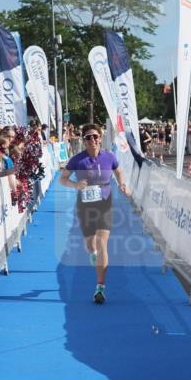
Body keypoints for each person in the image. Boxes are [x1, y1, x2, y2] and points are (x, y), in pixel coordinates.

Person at [60, 124, 129, 304]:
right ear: (83, 140)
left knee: (102, 242)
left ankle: (100, 287)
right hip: (86, 206)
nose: (93, 140)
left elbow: (119, 171)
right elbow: (63, 179)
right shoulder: (77, 160)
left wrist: (122, 184)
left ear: (101, 137)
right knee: (91, 245)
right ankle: (93, 254)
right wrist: (76, 185)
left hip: (105, 203)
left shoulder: (109, 156)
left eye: (96, 136)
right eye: (89, 137)